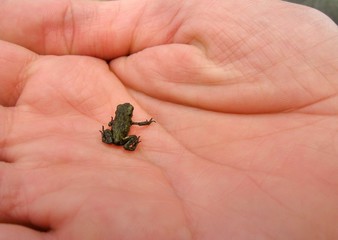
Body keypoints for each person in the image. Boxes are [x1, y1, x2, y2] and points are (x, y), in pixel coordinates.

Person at [0, 0, 337, 239]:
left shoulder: (119, 123)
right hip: (121, 142)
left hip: (112, 140)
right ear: (123, 116)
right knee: (124, 140)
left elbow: (126, 126)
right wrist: (137, 134)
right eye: (125, 114)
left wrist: (109, 133)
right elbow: (138, 126)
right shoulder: (129, 125)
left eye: (126, 113)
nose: (126, 115)